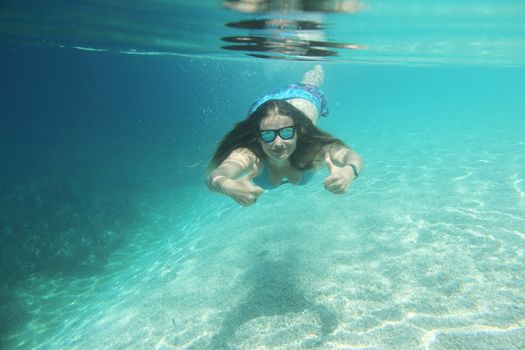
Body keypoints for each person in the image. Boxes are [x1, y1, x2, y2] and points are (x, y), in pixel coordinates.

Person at [207, 65, 363, 207]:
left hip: (304, 99)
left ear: (298, 132)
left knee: (311, 83)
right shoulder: (251, 155)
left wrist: (350, 171)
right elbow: (217, 175)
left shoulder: (311, 147)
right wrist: (225, 185)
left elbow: (350, 156)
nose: (278, 143)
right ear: (259, 137)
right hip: (263, 109)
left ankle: (316, 65)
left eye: (286, 133)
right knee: (274, 121)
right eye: (268, 135)